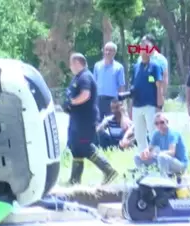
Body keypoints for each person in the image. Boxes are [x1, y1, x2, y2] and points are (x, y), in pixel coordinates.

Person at [63, 52, 118, 185]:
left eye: (71, 63)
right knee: (75, 147)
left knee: (85, 146)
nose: (70, 66)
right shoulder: (77, 77)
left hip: (85, 121)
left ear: (77, 63)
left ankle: (109, 171)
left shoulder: (85, 77)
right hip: (76, 120)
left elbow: (85, 95)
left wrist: (72, 102)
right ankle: (75, 180)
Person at [130, 39, 164, 152]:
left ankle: (157, 159)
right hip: (137, 106)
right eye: (142, 47)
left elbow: (159, 86)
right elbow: (133, 88)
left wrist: (160, 105)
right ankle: (143, 162)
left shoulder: (155, 66)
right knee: (139, 136)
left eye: (147, 48)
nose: (144, 50)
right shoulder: (135, 67)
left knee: (153, 133)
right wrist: (130, 107)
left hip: (150, 105)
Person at [134, 113, 188, 177]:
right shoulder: (156, 134)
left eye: (162, 122)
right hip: (164, 160)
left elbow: (172, 152)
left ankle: (164, 179)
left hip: (179, 164)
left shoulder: (172, 133)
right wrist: (145, 152)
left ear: (167, 122)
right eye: (156, 123)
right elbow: (149, 148)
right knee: (137, 157)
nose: (159, 125)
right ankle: (145, 177)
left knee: (161, 156)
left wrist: (156, 154)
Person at [93, 42, 126, 120]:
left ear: (114, 52)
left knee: (113, 124)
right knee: (97, 125)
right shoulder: (97, 65)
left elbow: (121, 86)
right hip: (99, 100)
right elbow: (94, 83)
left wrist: (121, 102)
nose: (107, 52)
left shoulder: (119, 67)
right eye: (106, 50)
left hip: (112, 101)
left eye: (110, 50)